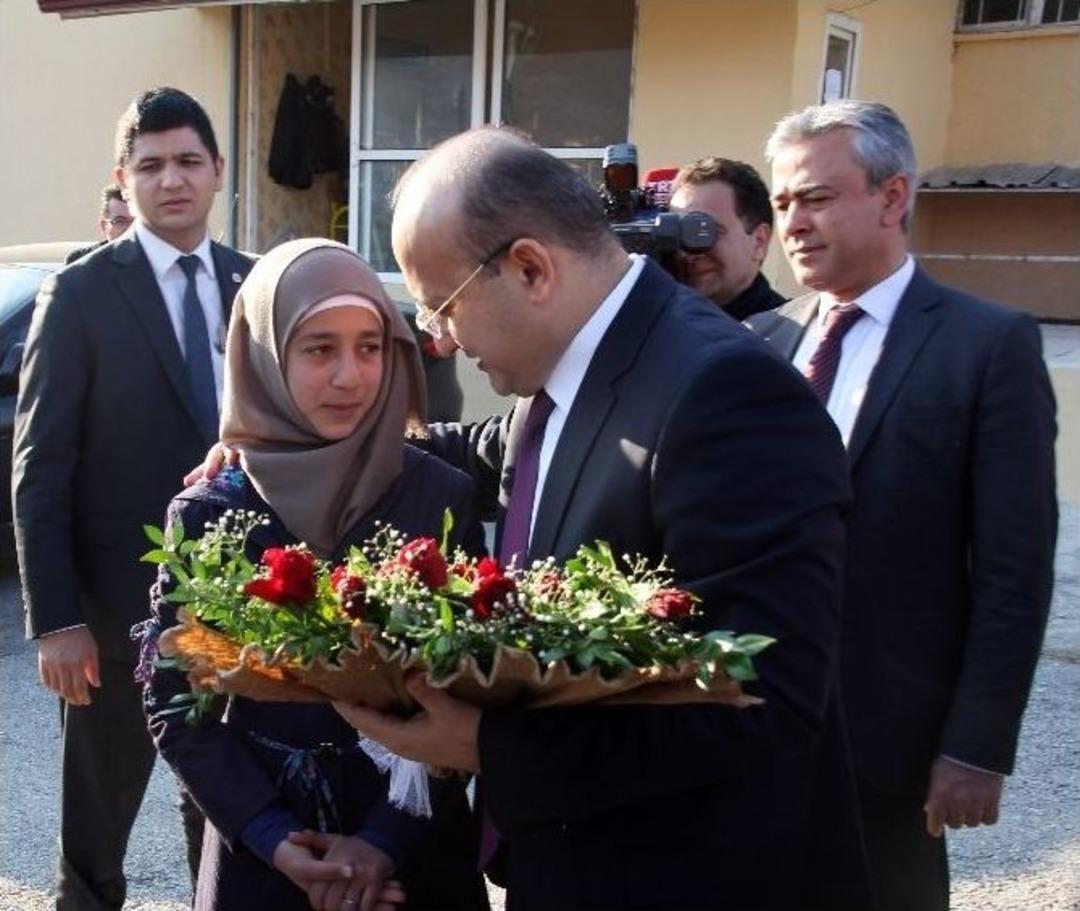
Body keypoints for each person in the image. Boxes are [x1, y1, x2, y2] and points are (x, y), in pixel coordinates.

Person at [326, 126, 858, 910]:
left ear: (530, 268)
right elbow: (488, 451)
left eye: (441, 305)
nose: (437, 339)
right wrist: (314, 445)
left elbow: (763, 695)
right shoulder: (580, 369)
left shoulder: (725, 394)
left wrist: (487, 749)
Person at [746, 99, 1058, 911]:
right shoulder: (765, 342)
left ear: (893, 197)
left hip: (888, 745)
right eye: (782, 204)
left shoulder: (985, 345)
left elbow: (1012, 569)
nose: (794, 223)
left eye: (816, 197)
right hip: (749, 724)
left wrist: (977, 747)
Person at [141, 238, 489, 911]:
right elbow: (179, 703)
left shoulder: (435, 497)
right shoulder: (212, 511)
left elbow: (470, 685)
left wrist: (384, 840)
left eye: (370, 345)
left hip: (416, 858)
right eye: (318, 348)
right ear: (265, 356)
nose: (351, 375)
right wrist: (274, 837)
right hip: (265, 863)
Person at [13, 86, 253, 910]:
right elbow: (40, 467)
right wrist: (56, 619)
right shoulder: (79, 294)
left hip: (239, 615)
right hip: (114, 627)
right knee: (93, 847)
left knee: (230, 828)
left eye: (188, 160)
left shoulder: (255, 287)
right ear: (124, 178)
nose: (172, 179)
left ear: (218, 170)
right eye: (150, 165)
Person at [669, 156, 785, 320]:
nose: (690, 251)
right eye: (681, 232)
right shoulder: (659, 326)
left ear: (759, 241)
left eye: (704, 230)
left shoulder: (790, 339)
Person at [65, 183, 135, 264]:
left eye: (137, 221)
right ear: (104, 226)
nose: (130, 228)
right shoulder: (81, 261)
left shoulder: (152, 259)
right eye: (120, 221)